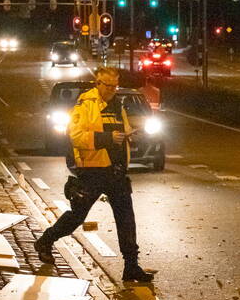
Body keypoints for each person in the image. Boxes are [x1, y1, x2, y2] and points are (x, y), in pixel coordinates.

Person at [34, 67, 155, 283]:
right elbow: (76, 135)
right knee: (77, 216)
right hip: (93, 170)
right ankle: (46, 240)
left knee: (126, 218)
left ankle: (131, 266)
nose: (112, 90)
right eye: (108, 86)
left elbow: (121, 130)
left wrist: (129, 137)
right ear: (98, 83)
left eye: (115, 85)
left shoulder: (117, 103)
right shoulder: (85, 103)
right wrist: (107, 139)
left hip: (116, 170)